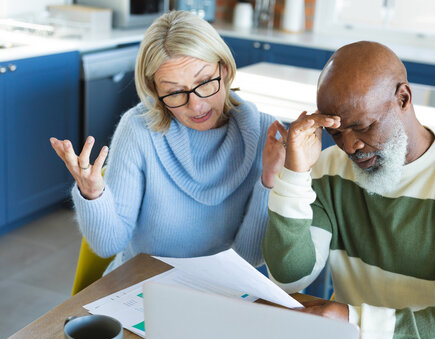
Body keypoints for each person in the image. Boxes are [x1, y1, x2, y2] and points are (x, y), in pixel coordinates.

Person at [262, 41, 435, 339]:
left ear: (403, 98)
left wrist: (355, 321)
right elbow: (289, 277)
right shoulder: (328, 169)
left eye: (363, 127)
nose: (350, 146)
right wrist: (294, 175)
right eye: (337, 132)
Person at [50, 10, 287, 271]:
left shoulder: (265, 133)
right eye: (174, 92)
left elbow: (249, 258)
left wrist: (271, 181)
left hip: (219, 288)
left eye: (206, 82)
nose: (196, 105)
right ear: (154, 91)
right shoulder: (138, 129)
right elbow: (108, 246)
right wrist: (93, 195)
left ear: (225, 69)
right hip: (141, 284)